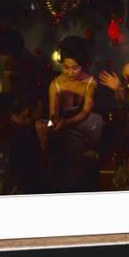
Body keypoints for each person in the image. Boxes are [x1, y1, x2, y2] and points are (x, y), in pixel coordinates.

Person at [48, 36, 102, 192]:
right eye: (65, 67)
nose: (70, 72)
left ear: (82, 65)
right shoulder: (55, 84)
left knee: (89, 166)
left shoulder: (91, 82)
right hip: (67, 128)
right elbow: (53, 114)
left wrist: (65, 122)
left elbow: (86, 112)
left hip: (89, 126)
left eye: (75, 68)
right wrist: (52, 124)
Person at [4, 84, 51, 194]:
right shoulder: (22, 138)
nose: (41, 115)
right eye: (40, 110)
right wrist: (43, 141)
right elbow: (38, 172)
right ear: (28, 112)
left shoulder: (10, 125)